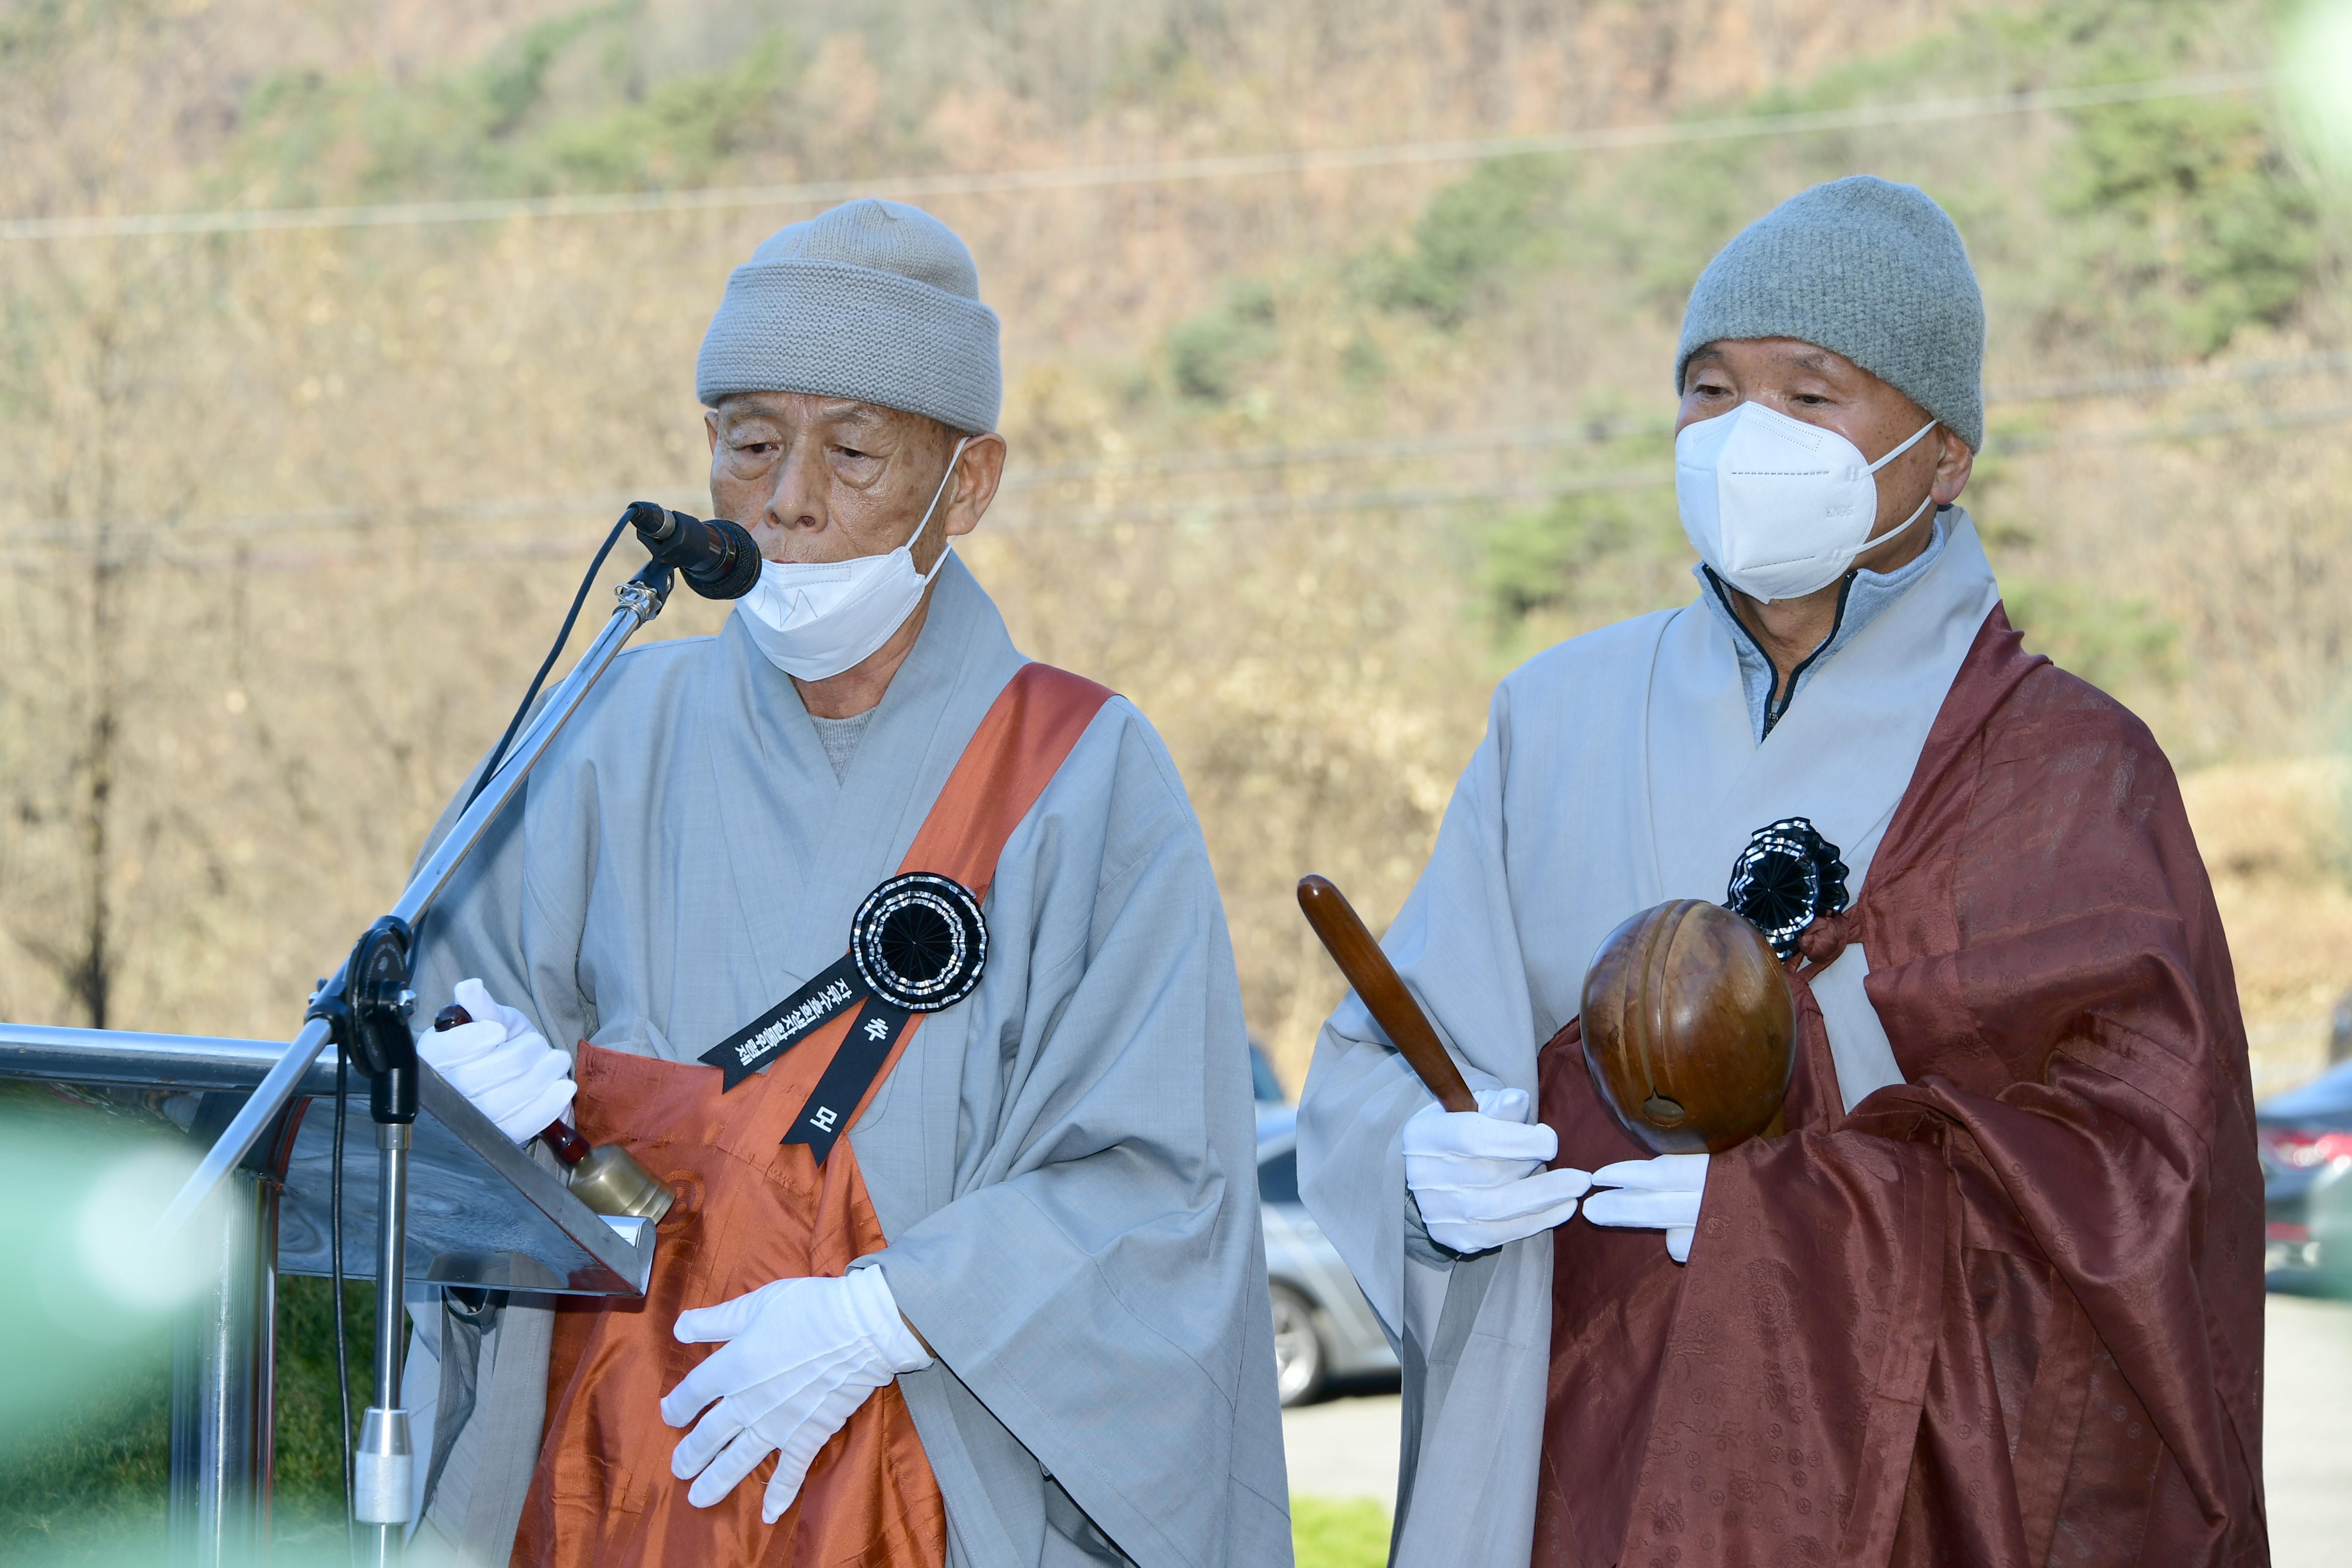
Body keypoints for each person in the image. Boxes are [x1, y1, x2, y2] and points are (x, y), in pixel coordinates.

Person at [1296, 176, 2266, 1567]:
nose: (1747, 436)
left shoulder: (2063, 770)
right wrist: (1418, 1165)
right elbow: (1388, 1055)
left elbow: (2143, 1184)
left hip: (1887, 1487)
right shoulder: (1551, 716)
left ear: (1945, 454)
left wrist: (1804, 1226)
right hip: (1570, 1453)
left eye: (1812, 397)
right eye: (1711, 392)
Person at [395, 197, 1290, 1568]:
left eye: (854, 451)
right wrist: (471, 1092)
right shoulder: (602, 728)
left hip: (929, 1462)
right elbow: (418, 1013)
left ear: (968, 484)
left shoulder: (1080, 770)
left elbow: (1164, 1179)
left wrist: (891, 1316)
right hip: (611, 1471)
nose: (790, 498)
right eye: (752, 444)